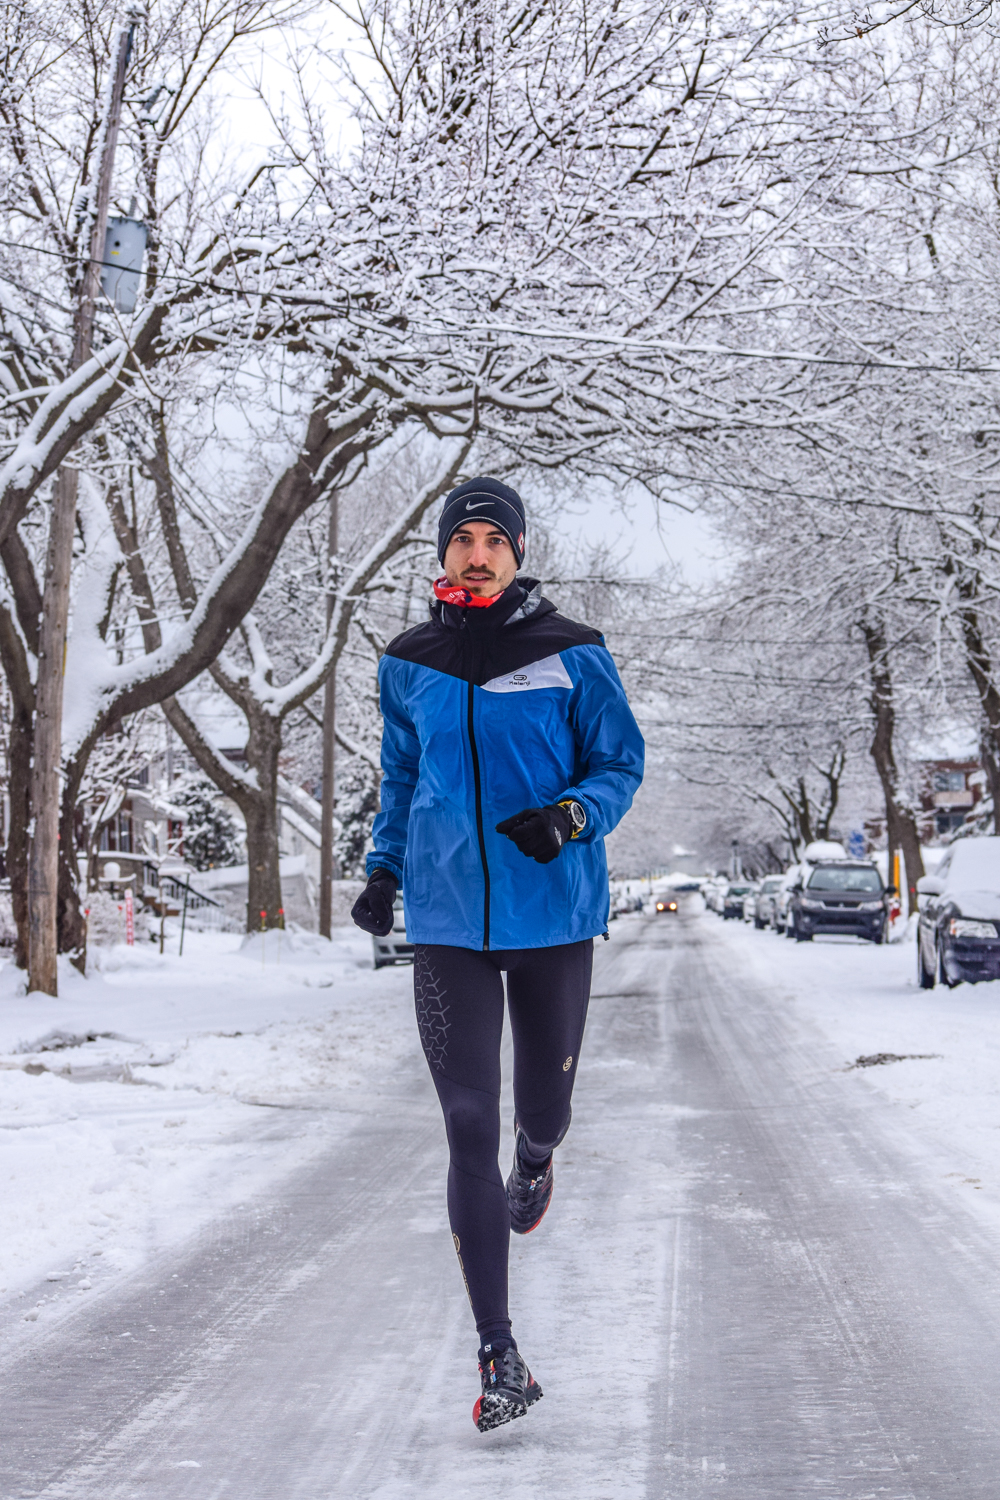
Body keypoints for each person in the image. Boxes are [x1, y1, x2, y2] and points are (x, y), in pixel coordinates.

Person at [352, 476, 644, 1431]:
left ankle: (541, 1154)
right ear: (442, 554)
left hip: (553, 912)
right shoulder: (409, 661)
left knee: (540, 1108)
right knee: (466, 1122)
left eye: (494, 539)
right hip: (444, 922)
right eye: (462, 538)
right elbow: (400, 776)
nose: (476, 553)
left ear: (519, 553)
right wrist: (383, 869)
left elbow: (619, 764)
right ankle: (499, 1352)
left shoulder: (572, 653)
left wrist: (571, 815)